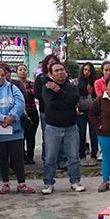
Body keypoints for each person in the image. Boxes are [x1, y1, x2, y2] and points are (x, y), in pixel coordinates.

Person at [0, 65, 35, 194]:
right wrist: (2, 118)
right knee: (2, 158)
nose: (0, 77)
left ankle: (22, 183)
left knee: (18, 157)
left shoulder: (12, 88)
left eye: (2, 75)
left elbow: (20, 103)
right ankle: (5, 183)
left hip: (14, 129)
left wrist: (12, 117)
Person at [40, 62, 86, 195]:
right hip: (53, 128)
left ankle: (75, 181)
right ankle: (48, 183)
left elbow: (74, 100)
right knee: (50, 158)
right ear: (51, 74)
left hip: (71, 127)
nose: (61, 72)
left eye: (62, 69)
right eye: (57, 70)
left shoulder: (71, 86)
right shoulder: (47, 87)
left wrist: (58, 91)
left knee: (73, 157)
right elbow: (52, 104)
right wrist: (65, 100)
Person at [34, 54, 60, 163]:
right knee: (47, 135)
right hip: (46, 110)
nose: (51, 64)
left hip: (60, 111)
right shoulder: (41, 78)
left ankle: (60, 159)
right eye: (49, 62)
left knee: (60, 136)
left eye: (54, 62)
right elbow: (37, 94)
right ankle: (47, 159)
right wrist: (49, 99)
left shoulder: (61, 77)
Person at [11, 64, 39, 164]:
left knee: (31, 136)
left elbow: (33, 93)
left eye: (24, 69)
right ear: (17, 72)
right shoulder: (13, 85)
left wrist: (22, 92)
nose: (23, 71)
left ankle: (30, 157)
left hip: (32, 112)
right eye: (20, 70)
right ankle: (21, 156)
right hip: (19, 113)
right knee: (20, 136)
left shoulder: (32, 83)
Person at [75, 62, 99, 167]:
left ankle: (94, 155)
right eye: (85, 70)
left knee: (94, 135)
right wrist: (75, 108)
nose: (87, 72)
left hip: (93, 112)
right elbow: (74, 97)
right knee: (81, 134)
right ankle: (82, 156)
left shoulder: (96, 82)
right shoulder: (76, 82)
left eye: (89, 70)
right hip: (81, 112)